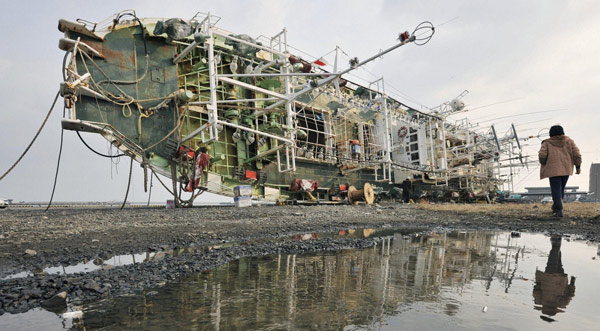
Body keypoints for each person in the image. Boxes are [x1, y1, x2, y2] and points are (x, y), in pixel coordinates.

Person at [538, 125, 582, 217]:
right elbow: (577, 154)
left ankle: (559, 210)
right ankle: (555, 207)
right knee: (560, 189)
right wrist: (578, 167)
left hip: (553, 170)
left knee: (556, 190)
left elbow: (542, 155)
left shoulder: (547, 143)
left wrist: (544, 163)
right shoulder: (569, 141)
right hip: (566, 169)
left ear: (551, 134)